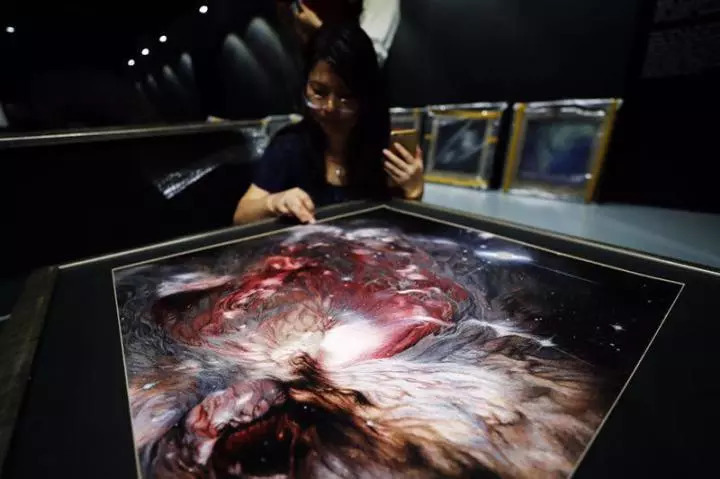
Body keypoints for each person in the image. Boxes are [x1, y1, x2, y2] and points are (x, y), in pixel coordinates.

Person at [233, 23, 423, 225]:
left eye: (345, 95)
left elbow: (405, 231)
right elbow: (241, 215)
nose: (330, 107)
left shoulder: (386, 152)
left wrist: (414, 191)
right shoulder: (289, 146)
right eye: (319, 92)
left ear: (366, 96)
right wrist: (274, 202)